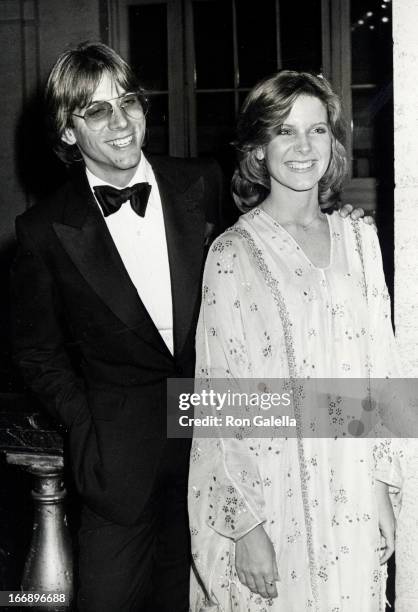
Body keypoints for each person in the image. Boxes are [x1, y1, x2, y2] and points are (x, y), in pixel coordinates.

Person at [10, 41, 223, 612]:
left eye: (128, 101)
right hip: (117, 463)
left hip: (216, 449)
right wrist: (85, 427)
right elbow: (38, 354)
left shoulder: (203, 183)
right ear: (66, 130)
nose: (121, 121)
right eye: (97, 110)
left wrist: (332, 209)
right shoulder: (43, 230)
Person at [188, 71, 397, 612]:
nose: (304, 147)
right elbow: (218, 399)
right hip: (275, 496)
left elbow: (382, 377)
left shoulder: (362, 238)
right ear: (258, 148)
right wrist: (246, 526)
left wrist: (381, 490)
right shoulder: (231, 254)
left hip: (352, 495)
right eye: (285, 131)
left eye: (319, 130)